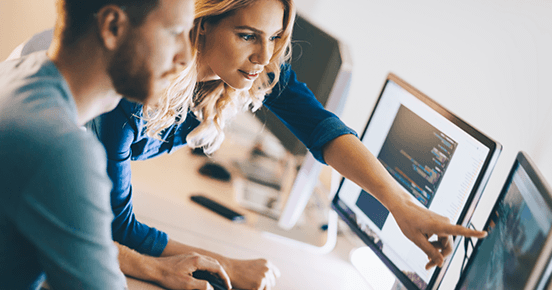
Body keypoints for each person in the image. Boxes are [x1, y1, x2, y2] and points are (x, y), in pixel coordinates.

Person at [8, 0, 487, 289]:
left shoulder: (46, 102)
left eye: (276, 38)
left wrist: (401, 205)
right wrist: (216, 268)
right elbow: (105, 228)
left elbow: (321, 127)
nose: (265, 57)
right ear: (201, 24)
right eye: (247, 36)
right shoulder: (110, 102)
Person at [0, 0, 234, 289]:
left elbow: (71, 239)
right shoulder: (60, 149)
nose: (187, 57)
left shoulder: (18, 73)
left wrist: (156, 269)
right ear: (113, 27)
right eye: (174, 33)